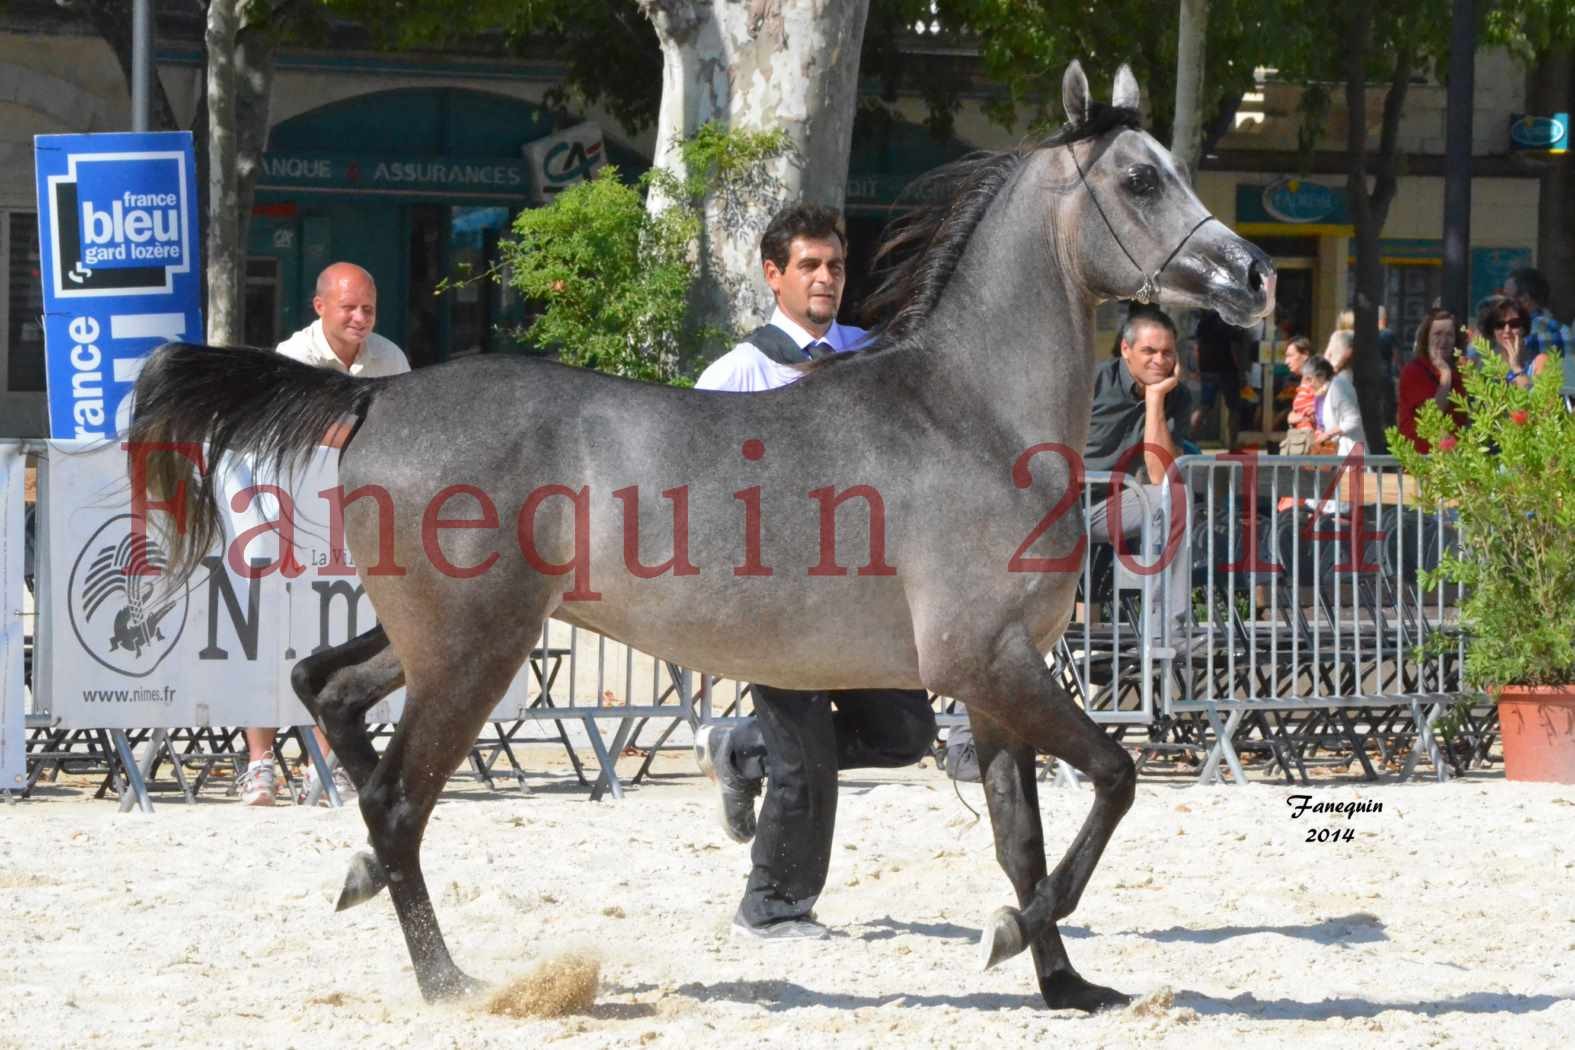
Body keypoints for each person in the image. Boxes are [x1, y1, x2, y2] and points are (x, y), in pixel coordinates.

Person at [692, 204, 937, 941]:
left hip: (862, 596)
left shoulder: (873, 355)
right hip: (778, 597)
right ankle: (772, 906)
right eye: (809, 265)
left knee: (905, 732)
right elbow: (697, 484)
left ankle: (738, 750)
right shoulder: (737, 372)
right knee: (804, 761)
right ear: (773, 275)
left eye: (833, 264)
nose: (826, 277)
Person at [946, 307, 1195, 783]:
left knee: (1175, 498)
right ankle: (963, 739)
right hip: (1046, 512)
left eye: (1167, 353)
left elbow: (1161, 475)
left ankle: (1168, 622)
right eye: (1149, 352)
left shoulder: (1174, 394)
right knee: (1004, 624)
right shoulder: (1088, 383)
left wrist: (1158, 402)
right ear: (1125, 350)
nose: (1159, 361)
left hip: (1103, 512)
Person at [234, 262, 411, 806]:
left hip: (356, 523)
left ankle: (323, 766)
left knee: (341, 638)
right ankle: (260, 763)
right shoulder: (292, 359)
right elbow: (285, 441)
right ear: (320, 308)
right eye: (349, 308)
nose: (360, 318)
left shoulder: (392, 358)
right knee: (268, 640)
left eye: (369, 309)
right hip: (280, 519)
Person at [1396, 306, 1468, 454]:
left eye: (1449, 335)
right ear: (1426, 338)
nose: (1444, 340)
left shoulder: (1461, 372)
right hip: (1421, 462)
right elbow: (1432, 415)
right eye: (1438, 334)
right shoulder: (1413, 371)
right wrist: (1445, 375)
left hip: (1454, 462)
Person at [1504, 266, 1567, 371]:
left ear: (1525, 299)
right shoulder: (1528, 326)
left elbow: (1547, 380)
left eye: (1507, 297)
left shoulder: (1543, 328)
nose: (1502, 303)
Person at [1315, 331, 1364, 454]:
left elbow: (1353, 420)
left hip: (1349, 453)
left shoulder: (1340, 382)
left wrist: (1327, 435)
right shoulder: (1342, 379)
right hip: (1347, 452)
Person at [1474, 294, 1536, 390]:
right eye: (1499, 325)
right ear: (1492, 331)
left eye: (1514, 324)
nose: (1507, 330)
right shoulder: (1485, 365)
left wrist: (1516, 367)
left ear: (1523, 327)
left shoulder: (1537, 362)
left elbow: (1535, 401)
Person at [1278, 336, 1317, 454]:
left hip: (1311, 447)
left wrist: (1297, 417)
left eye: (1290, 355)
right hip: (1302, 444)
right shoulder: (1305, 380)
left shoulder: (1314, 380)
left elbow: (1321, 412)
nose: (1286, 361)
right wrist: (1292, 415)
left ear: (1305, 355)